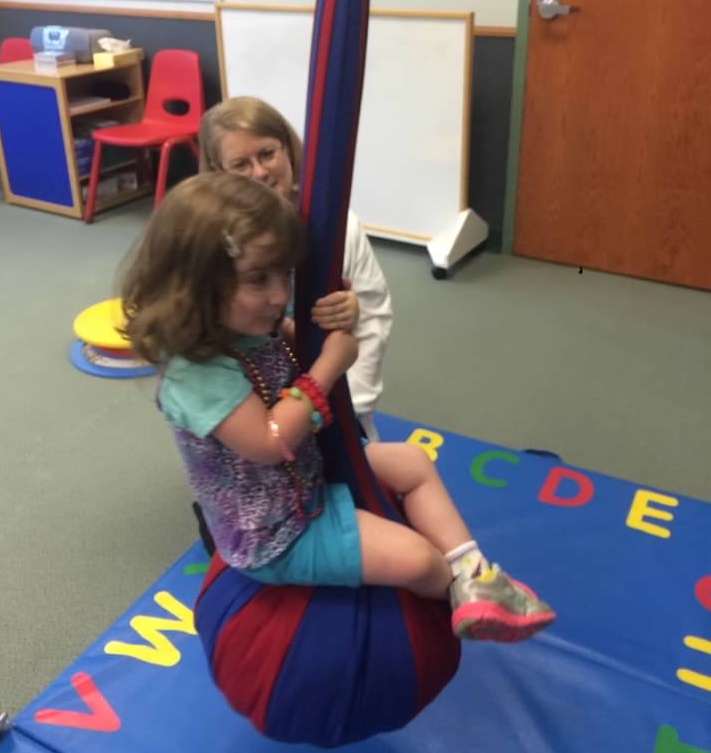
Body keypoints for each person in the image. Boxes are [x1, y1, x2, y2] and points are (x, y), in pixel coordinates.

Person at [121, 172, 555, 643]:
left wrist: (334, 319)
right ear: (195, 283)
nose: (279, 296)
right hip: (275, 534)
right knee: (418, 559)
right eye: (257, 279)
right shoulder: (197, 373)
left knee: (412, 460)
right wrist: (328, 365)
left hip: (306, 478)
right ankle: (446, 604)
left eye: (280, 276)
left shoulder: (246, 325)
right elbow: (269, 442)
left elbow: (296, 339)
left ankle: (473, 575)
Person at [198, 96, 391, 442]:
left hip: (332, 392)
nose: (259, 172)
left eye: (267, 154)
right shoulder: (212, 238)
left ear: (286, 149)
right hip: (258, 405)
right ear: (217, 171)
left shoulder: (337, 227)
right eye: (241, 164)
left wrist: (352, 311)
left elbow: (374, 309)